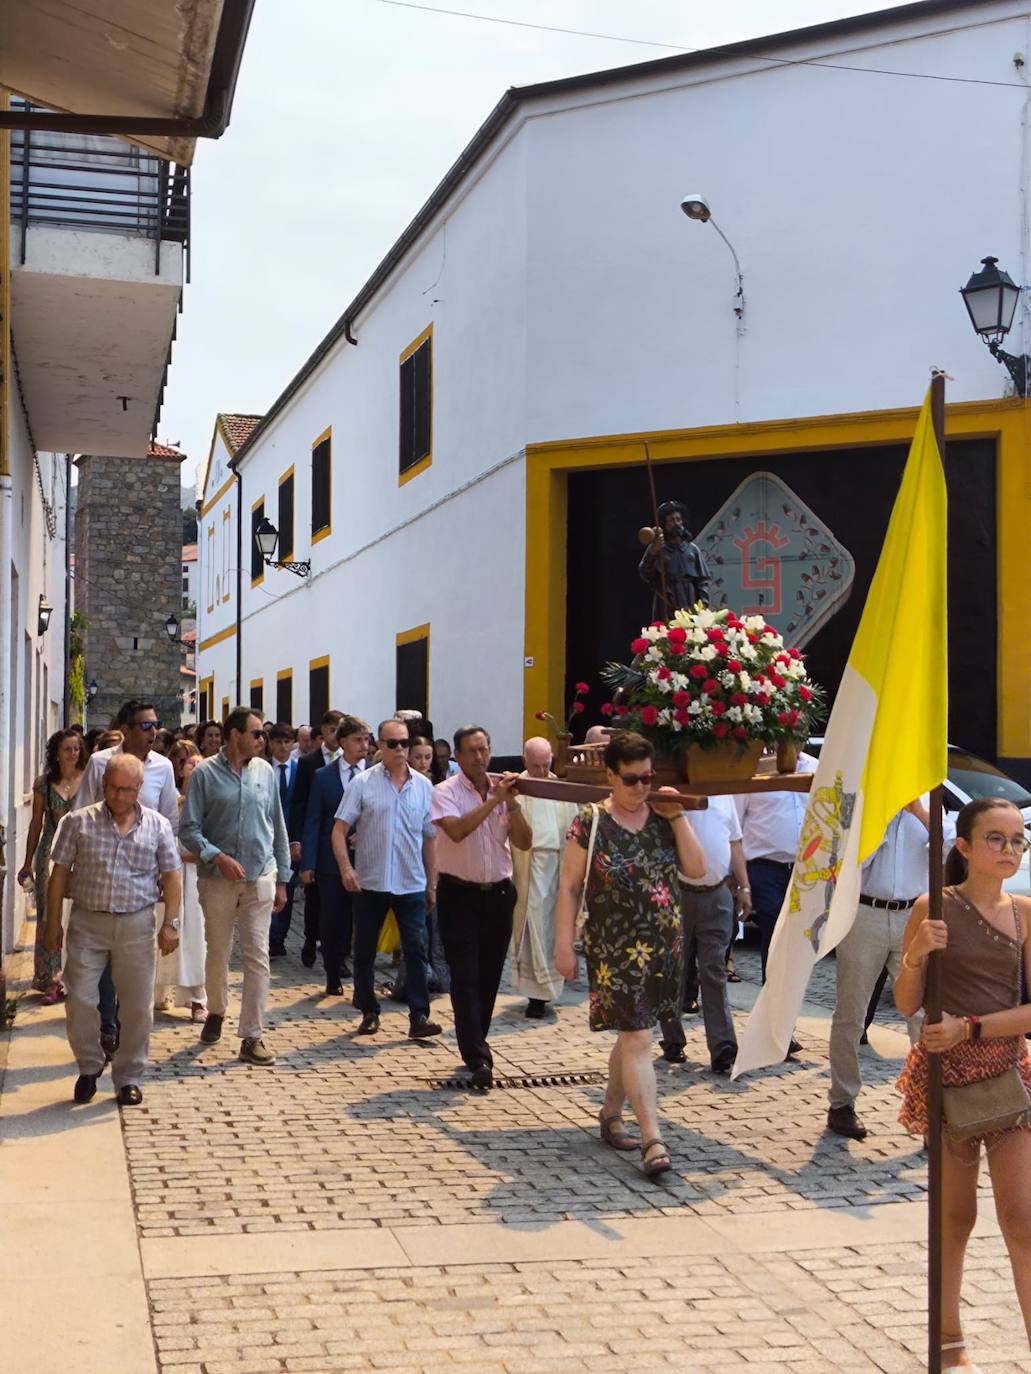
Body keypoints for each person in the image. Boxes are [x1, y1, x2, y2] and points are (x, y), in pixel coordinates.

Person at [895, 798, 1031, 1370]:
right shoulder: (934, 907)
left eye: (1017, 840)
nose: (1008, 851)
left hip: (1008, 1077)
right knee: (953, 1219)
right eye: (995, 839)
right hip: (945, 1082)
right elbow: (906, 1003)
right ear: (964, 846)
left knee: (1022, 1218)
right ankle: (949, 1343)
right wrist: (916, 955)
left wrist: (970, 1029)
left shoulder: (1025, 913)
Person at [554, 732, 706, 1175]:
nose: (641, 787)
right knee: (639, 1037)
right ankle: (652, 1138)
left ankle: (609, 1112)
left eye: (647, 778)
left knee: (633, 1034)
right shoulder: (590, 821)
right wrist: (564, 945)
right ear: (610, 776)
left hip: (664, 946)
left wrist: (678, 818)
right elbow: (567, 886)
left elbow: (697, 871)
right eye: (631, 779)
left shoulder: (662, 817)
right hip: (615, 949)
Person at [43, 754, 182, 1106]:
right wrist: (51, 923)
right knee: (80, 999)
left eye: (126, 790)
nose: (118, 796)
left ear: (138, 789)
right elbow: (58, 874)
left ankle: (128, 1076)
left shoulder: (157, 825)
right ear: (103, 785)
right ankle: (89, 1065)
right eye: (112, 788)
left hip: (136, 924)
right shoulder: (78, 822)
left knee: (137, 1007)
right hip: (88, 922)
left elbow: (172, 876)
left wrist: (171, 923)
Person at [827, 797, 951, 1140]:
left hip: (912, 913)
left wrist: (919, 813)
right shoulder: (865, 800)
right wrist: (880, 818)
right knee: (851, 1011)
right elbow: (847, 862)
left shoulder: (929, 802)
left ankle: (929, 1108)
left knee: (922, 1015)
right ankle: (841, 1103)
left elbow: (949, 854)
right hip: (864, 912)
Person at [180, 706, 291, 1066]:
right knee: (218, 952)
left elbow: (277, 825)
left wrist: (283, 879)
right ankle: (216, 1009)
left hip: (260, 875)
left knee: (257, 955)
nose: (263, 740)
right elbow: (190, 830)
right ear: (234, 735)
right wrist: (217, 856)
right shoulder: (204, 775)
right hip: (217, 881)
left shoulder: (265, 773)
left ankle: (252, 1035)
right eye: (256, 734)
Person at [75, 700, 179, 1053]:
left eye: (156, 725)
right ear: (128, 728)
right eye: (146, 726)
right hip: (101, 879)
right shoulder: (100, 763)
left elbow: (169, 821)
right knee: (102, 960)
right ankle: (107, 1024)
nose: (154, 732)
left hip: (141, 882)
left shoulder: (163, 768)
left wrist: (167, 877)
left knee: (132, 962)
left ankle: (121, 1021)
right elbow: (82, 814)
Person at [430, 727, 532, 1087]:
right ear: (457, 756)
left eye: (484, 749)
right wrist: (492, 801)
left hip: (499, 894)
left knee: (489, 976)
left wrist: (513, 803)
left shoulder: (505, 791)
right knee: (465, 977)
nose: (479, 757)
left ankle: (477, 1041)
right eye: (471, 751)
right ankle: (477, 1057)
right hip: (459, 895)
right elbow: (457, 831)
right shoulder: (444, 792)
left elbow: (524, 840)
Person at [333, 718, 442, 1039]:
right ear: (379, 745)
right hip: (370, 882)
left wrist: (432, 883)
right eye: (392, 743)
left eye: (404, 743)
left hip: (410, 883)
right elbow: (339, 831)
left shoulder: (423, 787)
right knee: (364, 951)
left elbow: (430, 839)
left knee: (416, 950)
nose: (399, 749)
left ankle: (419, 1016)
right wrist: (346, 869)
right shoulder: (363, 784)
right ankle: (369, 1011)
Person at [658, 792, 750, 1073]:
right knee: (675, 969)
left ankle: (723, 1046)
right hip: (679, 893)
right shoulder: (672, 794)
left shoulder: (725, 796)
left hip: (718, 892)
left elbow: (734, 841)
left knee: (714, 970)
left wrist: (744, 886)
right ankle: (673, 1038)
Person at [734, 748, 818, 979]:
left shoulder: (816, 767)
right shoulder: (755, 769)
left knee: (800, 936)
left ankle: (787, 994)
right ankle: (772, 991)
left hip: (804, 869)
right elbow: (736, 822)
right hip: (765, 867)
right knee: (775, 932)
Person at [511, 736, 577, 1018]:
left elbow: (574, 828)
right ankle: (535, 996)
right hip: (528, 865)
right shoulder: (517, 787)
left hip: (557, 868)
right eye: (535, 765)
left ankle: (550, 989)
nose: (540, 771)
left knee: (554, 928)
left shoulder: (559, 788)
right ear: (524, 760)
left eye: (544, 764)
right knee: (533, 926)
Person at [301, 716, 369, 993]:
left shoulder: (376, 773)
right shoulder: (324, 776)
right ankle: (332, 971)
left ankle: (360, 972)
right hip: (331, 862)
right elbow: (314, 820)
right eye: (357, 740)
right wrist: (308, 862)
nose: (364, 745)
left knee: (363, 920)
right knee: (332, 918)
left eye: (367, 739)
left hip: (367, 859)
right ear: (342, 742)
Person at [19, 729, 86, 1001]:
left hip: (81, 853)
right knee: (49, 913)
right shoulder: (43, 784)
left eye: (76, 749)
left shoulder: (88, 781)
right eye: (67, 749)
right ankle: (49, 978)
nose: (72, 754)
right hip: (50, 853)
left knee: (77, 915)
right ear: (56, 754)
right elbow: (36, 824)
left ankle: (74, 976)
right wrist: (27, 863)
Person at [153, 743, 207, 1022]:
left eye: (199, 763)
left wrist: (195, 854)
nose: (194, 767)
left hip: (197, 879)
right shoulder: (171, 799)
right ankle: (159, 992)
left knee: (195, 937)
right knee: (164, 927)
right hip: (170, 874)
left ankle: (197, 997)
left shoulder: (211, 803)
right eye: (189, 763)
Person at [289, 709, 344, 966]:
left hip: (344, 838)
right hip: (318, 837)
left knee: (345, 901)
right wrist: (298, 839)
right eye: (332, 730)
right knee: (314, 897)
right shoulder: (309, 762)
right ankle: (311, 938)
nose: (336, 735)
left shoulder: (349, 761)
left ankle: (339, 952)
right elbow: (299, 803)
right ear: (322, 731)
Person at [638, 500, 710, 618]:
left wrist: (703, 603)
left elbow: (703, 581)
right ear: (664, 524)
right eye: (671, 520)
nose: (676, 523)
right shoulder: (657, 548)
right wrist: (653, 552)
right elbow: (645, 573)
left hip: (690, 598)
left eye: (678, 519)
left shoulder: (693, 549)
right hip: (667, 601)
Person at [267, 723, 300, 956]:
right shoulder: (263, 769)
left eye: (287, 742)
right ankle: (267, 934)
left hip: (291, 838)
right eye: (278, 742)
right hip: (266, 837)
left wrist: (297, 839)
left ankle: (279, 937)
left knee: (286, 886)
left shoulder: (301, 770)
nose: (282, 746)